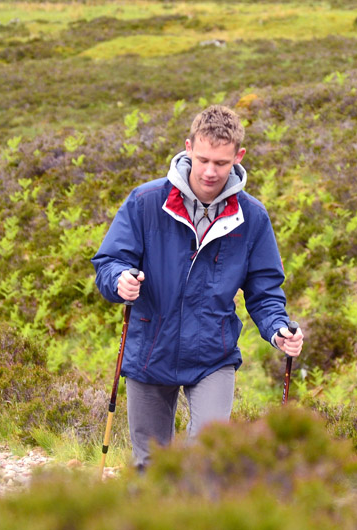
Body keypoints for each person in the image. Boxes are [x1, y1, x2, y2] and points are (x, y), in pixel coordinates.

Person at [91, 105, 304, 469]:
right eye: (203, 159)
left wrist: (277, 329)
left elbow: (264, 291)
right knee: (150, 467)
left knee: (205, 460)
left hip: (212, 356)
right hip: (148, 352)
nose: (209, 171)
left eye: (220, 163)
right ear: (188, 148)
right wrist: (119, 281)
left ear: (238, 157)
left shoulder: (252, 217)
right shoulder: (145, 202)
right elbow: (109, 263)